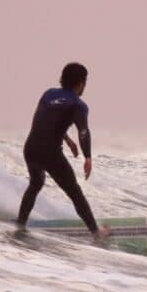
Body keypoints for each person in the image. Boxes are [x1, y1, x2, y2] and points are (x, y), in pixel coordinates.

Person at [17, 62, 110, 242]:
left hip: (30, 148)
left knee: (36, 183)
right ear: (81, 82)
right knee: (75, 192)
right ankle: (96, 232)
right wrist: (88, 157)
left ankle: (21, 223)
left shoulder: (48, 95)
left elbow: (42, 121)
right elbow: (83, 131)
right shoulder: (78, 104)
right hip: (50, 154)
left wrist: (66, 139)